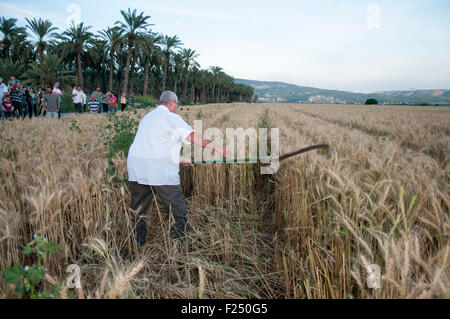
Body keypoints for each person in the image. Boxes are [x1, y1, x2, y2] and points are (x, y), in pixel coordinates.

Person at [127, 91, 228, 245]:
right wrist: (218, 148)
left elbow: (153, 145)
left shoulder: (147, 117)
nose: (177, 108)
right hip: (160, 171)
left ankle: (137, 245)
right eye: (177, 105)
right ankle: (179, 245)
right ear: (172, 102)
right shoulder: (171, 117)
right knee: (177, 210)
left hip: (137, 168)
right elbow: (192, 136)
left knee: (138, 211)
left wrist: (179, 159)